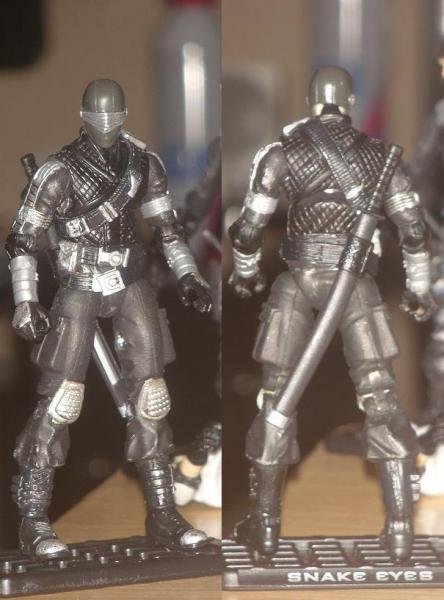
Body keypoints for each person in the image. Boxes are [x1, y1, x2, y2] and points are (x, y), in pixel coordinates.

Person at [228, 66, 434, 561]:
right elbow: (413, 231)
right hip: (355, 284)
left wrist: (246, 273)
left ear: (309, 100)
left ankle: (266, 528)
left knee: (275, 397)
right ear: (351, 102)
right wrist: (419, 288)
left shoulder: (280, 153)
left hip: (296, 280)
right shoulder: (378, 157)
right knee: (380, 397)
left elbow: (247, 229)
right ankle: (400, 531)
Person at [6, 79, 212, 559]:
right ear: (83, 115)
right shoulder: (58, 171)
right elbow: (22, 240)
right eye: (100, 114)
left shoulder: (143, 164)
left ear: (124, 115)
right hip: (79, 285)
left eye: (113, 114)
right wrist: (26, 300)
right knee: (62, 399)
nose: (106, 123)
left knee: (152, 397)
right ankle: (33, 521)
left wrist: (188, 274)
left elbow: (167, 229)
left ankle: (163, 513)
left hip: (130, 281)